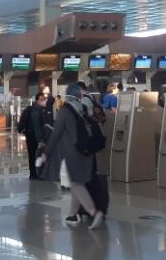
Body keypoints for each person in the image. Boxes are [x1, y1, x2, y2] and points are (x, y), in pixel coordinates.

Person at [40, 85, 104, 229]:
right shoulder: (83, 108)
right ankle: (72, 214)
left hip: (74, 152)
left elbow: (56, 135)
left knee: (76, 183)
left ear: (67, 95)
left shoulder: (65, 111)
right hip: (88, 150)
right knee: (78, 182)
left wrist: (46, 153)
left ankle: (94, 212)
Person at [20, 93, 47, 180]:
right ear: (38, 100)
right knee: (36, 154)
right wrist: (41, 140)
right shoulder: (36, 110)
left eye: (44, 99)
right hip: (34, 135)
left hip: (30, 135)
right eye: (42, 99)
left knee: (33, 155)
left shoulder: (37, 109)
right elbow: (37, 127)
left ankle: (33, 174)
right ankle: (36, 174)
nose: (44, 101)